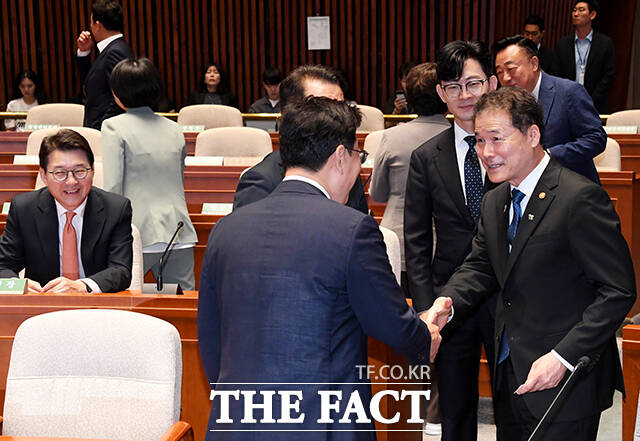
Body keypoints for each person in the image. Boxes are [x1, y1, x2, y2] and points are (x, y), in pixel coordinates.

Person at [198, 96, 451, 440]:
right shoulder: (352, 229)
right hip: (323, 425)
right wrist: (425, 335)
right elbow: (390, 322)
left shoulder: (227, 228)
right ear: (341, 156)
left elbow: (211, 338)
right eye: (359, 157)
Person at [440, 86, 635, 440]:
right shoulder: (496, 199)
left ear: (532, 134)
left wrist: (562, 357)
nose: (486, 153)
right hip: (511, 372)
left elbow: (618, 291)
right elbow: (481, 265)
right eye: (479, 141)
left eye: (496, 139)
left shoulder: (579, 198)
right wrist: (448, 302)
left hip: (566, 380)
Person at [404, 40, 498, 441]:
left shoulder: (510, 148)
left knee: (514, 405)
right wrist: (427, 308)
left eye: (473, 83)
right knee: (455, 412)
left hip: (508, 298)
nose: (465, 95)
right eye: (454, 86)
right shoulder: (426, 157)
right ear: (441, 93)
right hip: (450, 301)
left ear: (491, 84)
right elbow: (417, 240)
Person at [102, 58, 198, 290]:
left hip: (135, 234)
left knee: (126, 306)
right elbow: (179, 179)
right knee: (182, 305)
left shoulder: (113, 127)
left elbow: (113, 188)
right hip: (179, 231)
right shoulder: (175, 129)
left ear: (117, 93)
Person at [0, 128, 133, 293]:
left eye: (80, 171)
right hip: (43, 306)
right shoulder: (24, 209)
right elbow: (3, 265)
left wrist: (83, 286)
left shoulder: (116, 209)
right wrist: (19, 285)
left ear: (92, 170)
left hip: (96, 307)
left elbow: (121, 271)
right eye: (60, 173)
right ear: (43, 175)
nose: (71, 182)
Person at [232, 65, 368, 213]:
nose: (338, 115)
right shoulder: (261, 181)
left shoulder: (347, 166)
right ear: (291, 115)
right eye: (323, 107)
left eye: (341, 106)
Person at [370, 62, 449, 294]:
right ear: (444, 94)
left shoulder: (391, 137)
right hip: (445, 245)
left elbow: (377, 194)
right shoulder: (459, 139)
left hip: (398, 243)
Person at [494, 35, 606, 183]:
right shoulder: (502, 104)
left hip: (570, 188)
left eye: (511, 69)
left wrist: (549, 155)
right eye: (500, 72)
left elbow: (596, 139)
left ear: (534, 63)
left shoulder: (569, 92)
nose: (506, 78)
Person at [75, 0, 134, 130]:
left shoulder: (115, 52)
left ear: (98, 25)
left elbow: (120, 97)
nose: (90, 27)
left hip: (105, 132)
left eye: (91, 23)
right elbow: (92, 83)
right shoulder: (115, 48)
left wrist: (103, 127)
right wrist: (84, 53)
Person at [554, 0, 616, 114]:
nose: (576, 14)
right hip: (567, 104)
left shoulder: (605, 43)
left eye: (581, 10)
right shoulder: (562, 44)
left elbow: (608, 75)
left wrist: (590, 100)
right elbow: (557, 75)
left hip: (596, 105)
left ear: (592, 15)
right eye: (574, 10)